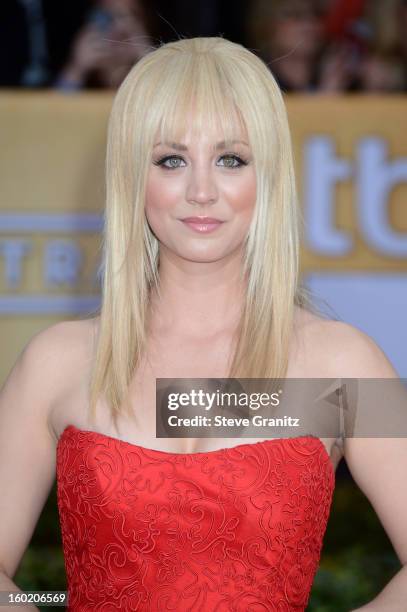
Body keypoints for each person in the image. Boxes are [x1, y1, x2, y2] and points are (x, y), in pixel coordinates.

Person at [0, 36, 406, 611]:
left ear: (267, 175)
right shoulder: (57, 362)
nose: (201, 191)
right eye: (171, 159)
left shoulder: (341, 367)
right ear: (131, 176)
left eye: (230, 159)